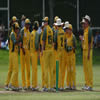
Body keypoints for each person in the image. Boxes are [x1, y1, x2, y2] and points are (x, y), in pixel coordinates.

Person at [5, 22, 20, 91]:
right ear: (14, 28)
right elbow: (15, 42)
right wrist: (19, 41)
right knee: (16, 70)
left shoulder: (13, 34)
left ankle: (6, 84)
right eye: (16, 28)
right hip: (13, 53)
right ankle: (12, 84)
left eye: (18, 28)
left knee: (10, 70)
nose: (18, 30)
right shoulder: (13, 34)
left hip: (12, 53)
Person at [80, 15, 93, 91]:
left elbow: (90, 42)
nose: (83, 25)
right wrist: (82, 40)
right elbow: (84, 43)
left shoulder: (89, 30)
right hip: (84, 51)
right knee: (85, 69)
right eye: (82, 23)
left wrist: (88, 53)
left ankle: (90, 85)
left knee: (89, 69)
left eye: (84, 23)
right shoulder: (85, 31)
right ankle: (87, 84)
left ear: (87, 22)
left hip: (88, 51)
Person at [42, 17, 55, 92]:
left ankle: (46, 86)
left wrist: (42, 49)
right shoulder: (51, 29)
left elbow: (43, 40)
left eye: (44, 22)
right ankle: (52, 86)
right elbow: (53, 41)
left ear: (47, 22)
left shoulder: (45, 29)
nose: (44, 23)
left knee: (46, 69)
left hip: (46, 50)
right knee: (51, 69)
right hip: (51, 50)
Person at [64, 23, 76, 90]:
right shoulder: (66, 36)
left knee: (72, 70)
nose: (66, 30)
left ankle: (73, 85)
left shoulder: (73, 37)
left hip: (72, 56)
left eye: (67, 29)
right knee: (68, 70)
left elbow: (75, 46)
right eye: (66, 29)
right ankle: (68, 84)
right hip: (67, 56)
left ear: (70, 29)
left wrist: (70, 48)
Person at [54, 18, 65, 91]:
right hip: (63, 51)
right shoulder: (63, 32)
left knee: (57, 68)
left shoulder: (56, 32)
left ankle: (57, 85)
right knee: (61, 69)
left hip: (58, 51)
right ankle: (62, 85)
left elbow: (55, 43)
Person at [20, 18, 31, 90]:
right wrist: (23, 49)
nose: (28, 25)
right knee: (23, 68)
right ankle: (24, 84)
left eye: (29, 24)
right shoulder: (22, 30)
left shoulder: (29, 31)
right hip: (23, 51)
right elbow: (20, 41)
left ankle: (28, 84)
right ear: (25, 24)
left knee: (28, 68)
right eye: (27, 24)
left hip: (28, 51)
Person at [30, 21, 40, 91]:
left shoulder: (31, 33)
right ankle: (34, 85)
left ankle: (33, 85)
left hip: (30, 52)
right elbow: (36, 43)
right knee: (35, 70)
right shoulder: (36, 33)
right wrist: (38, 51)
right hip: (34, 52)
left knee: (33, 69)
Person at [40, 22, 45, 89]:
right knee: (43, 70)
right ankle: (43, 84)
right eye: (42, 27)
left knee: (46, 70)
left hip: (46, 52)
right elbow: (39, 44)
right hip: (42, 53)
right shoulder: (40, 34)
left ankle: (46, 84)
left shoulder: (45, 34)